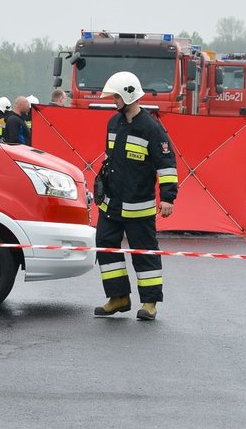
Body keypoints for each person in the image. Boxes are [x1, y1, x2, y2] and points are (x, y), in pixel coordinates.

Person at [93, 71, 178, 321]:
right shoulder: (113, 123)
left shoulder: (152, 129)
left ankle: (149, 303)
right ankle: (118, 297)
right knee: (106, 247)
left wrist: (168, 197)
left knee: (145, 252)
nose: (113, 101)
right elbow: (110, 159)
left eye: (116, 97)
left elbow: (167, 165)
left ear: (129, 95)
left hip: (138, 206)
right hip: (111, 204)